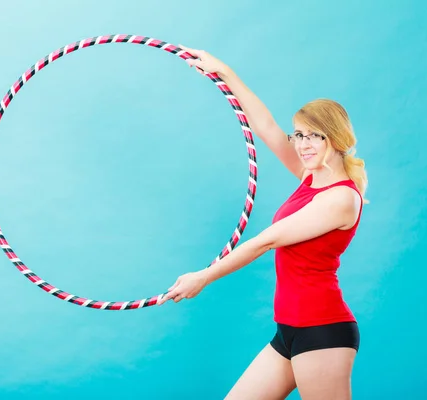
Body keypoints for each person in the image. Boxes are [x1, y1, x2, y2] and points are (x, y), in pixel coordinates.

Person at [157, 45, 368, 400]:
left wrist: (203, 277)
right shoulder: (309, 177)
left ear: (334, 138)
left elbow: (266, 241)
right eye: (298, 135)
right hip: (288, 329)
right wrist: (224, 72)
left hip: (322, 330)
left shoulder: (340, 198)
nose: (302, 144)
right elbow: (267, 126)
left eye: (313, 135)